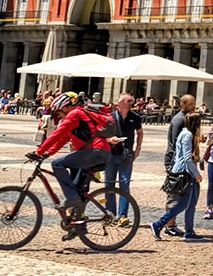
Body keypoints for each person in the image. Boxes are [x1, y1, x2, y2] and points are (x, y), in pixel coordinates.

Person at [31, 93, 117, 236]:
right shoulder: (77, 116)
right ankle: (77, 227)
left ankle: (71, 199)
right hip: (96, 153)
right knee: (78, 190)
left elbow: (56, 134)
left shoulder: (75, 114)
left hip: (95, 152)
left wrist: (39, 151)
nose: (59, 115)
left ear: (64, 107)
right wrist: (47, 153)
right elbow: (63, 138)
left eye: (59, 112)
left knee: (57, 165)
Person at [150, 111, 203, 241]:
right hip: (185, 172)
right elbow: (186, 158)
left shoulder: (187, 133)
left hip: (187, 171)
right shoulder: (187, 135)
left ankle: (189, 232)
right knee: (183, 204)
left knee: (191, 203)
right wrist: (196, 174)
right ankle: (158, 224)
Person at [104, 93, 144, 227]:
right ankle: (110, 214)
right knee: (109, 185)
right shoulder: (110, 117)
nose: (131, 103)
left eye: (131, 101)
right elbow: (101, 134)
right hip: (110, 155)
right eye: (128, 101)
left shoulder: (135, 117)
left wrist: (138, 148)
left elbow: (140, 132)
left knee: (124, 185)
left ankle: (122, 216)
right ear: (119, 103)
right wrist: (110, 140)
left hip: (126, 155)